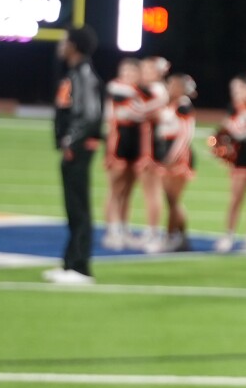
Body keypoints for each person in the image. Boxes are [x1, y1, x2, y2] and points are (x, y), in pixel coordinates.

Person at [43, 26, 103, 285]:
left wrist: (70, 141)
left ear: (75, 46)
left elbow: (89, 114)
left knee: (79, 206)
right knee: (73, 206)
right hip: (74, 146)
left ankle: (80, 266)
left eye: (65, 41)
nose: (60, 45)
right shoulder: (75, 73)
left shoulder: (83, 74)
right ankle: (70, 263)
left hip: (78, 148)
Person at [215, 72, 246, 254]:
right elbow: (233, 133)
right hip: (241, 160)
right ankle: (228, 235)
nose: (236, 92)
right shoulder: (233, 109)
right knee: (235, 199)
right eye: (233, 89)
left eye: (240, 88)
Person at [103, 58, 143, 249]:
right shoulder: (115, 87)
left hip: (135, 141)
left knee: (128, 189)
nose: (128, 75)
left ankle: (124, 229)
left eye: (132, 71)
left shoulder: (141, 91)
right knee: (114, 188)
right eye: (124, 71)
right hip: (117, 139)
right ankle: (112, 230)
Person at [156, 72, 198, 252]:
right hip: (169, 151)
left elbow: (185, 135)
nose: (169, 88)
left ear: (182, 88)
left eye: (173, 85)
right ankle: (181, 238)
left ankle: (171, 237)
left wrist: (171, 158)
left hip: (179, 156)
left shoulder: (183, 107)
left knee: (173, 199)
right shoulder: (170, 104)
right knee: (170, 199)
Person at [134, 56, 171, 254]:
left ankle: (155, 234)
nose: (144, 74)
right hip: (147, 144)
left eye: (149, 70)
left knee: (153, 192)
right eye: (143, 70)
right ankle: (150, 231)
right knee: (148, 192)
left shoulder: (157, 90)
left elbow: (139, 111)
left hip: (155, 146)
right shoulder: (150, 91)